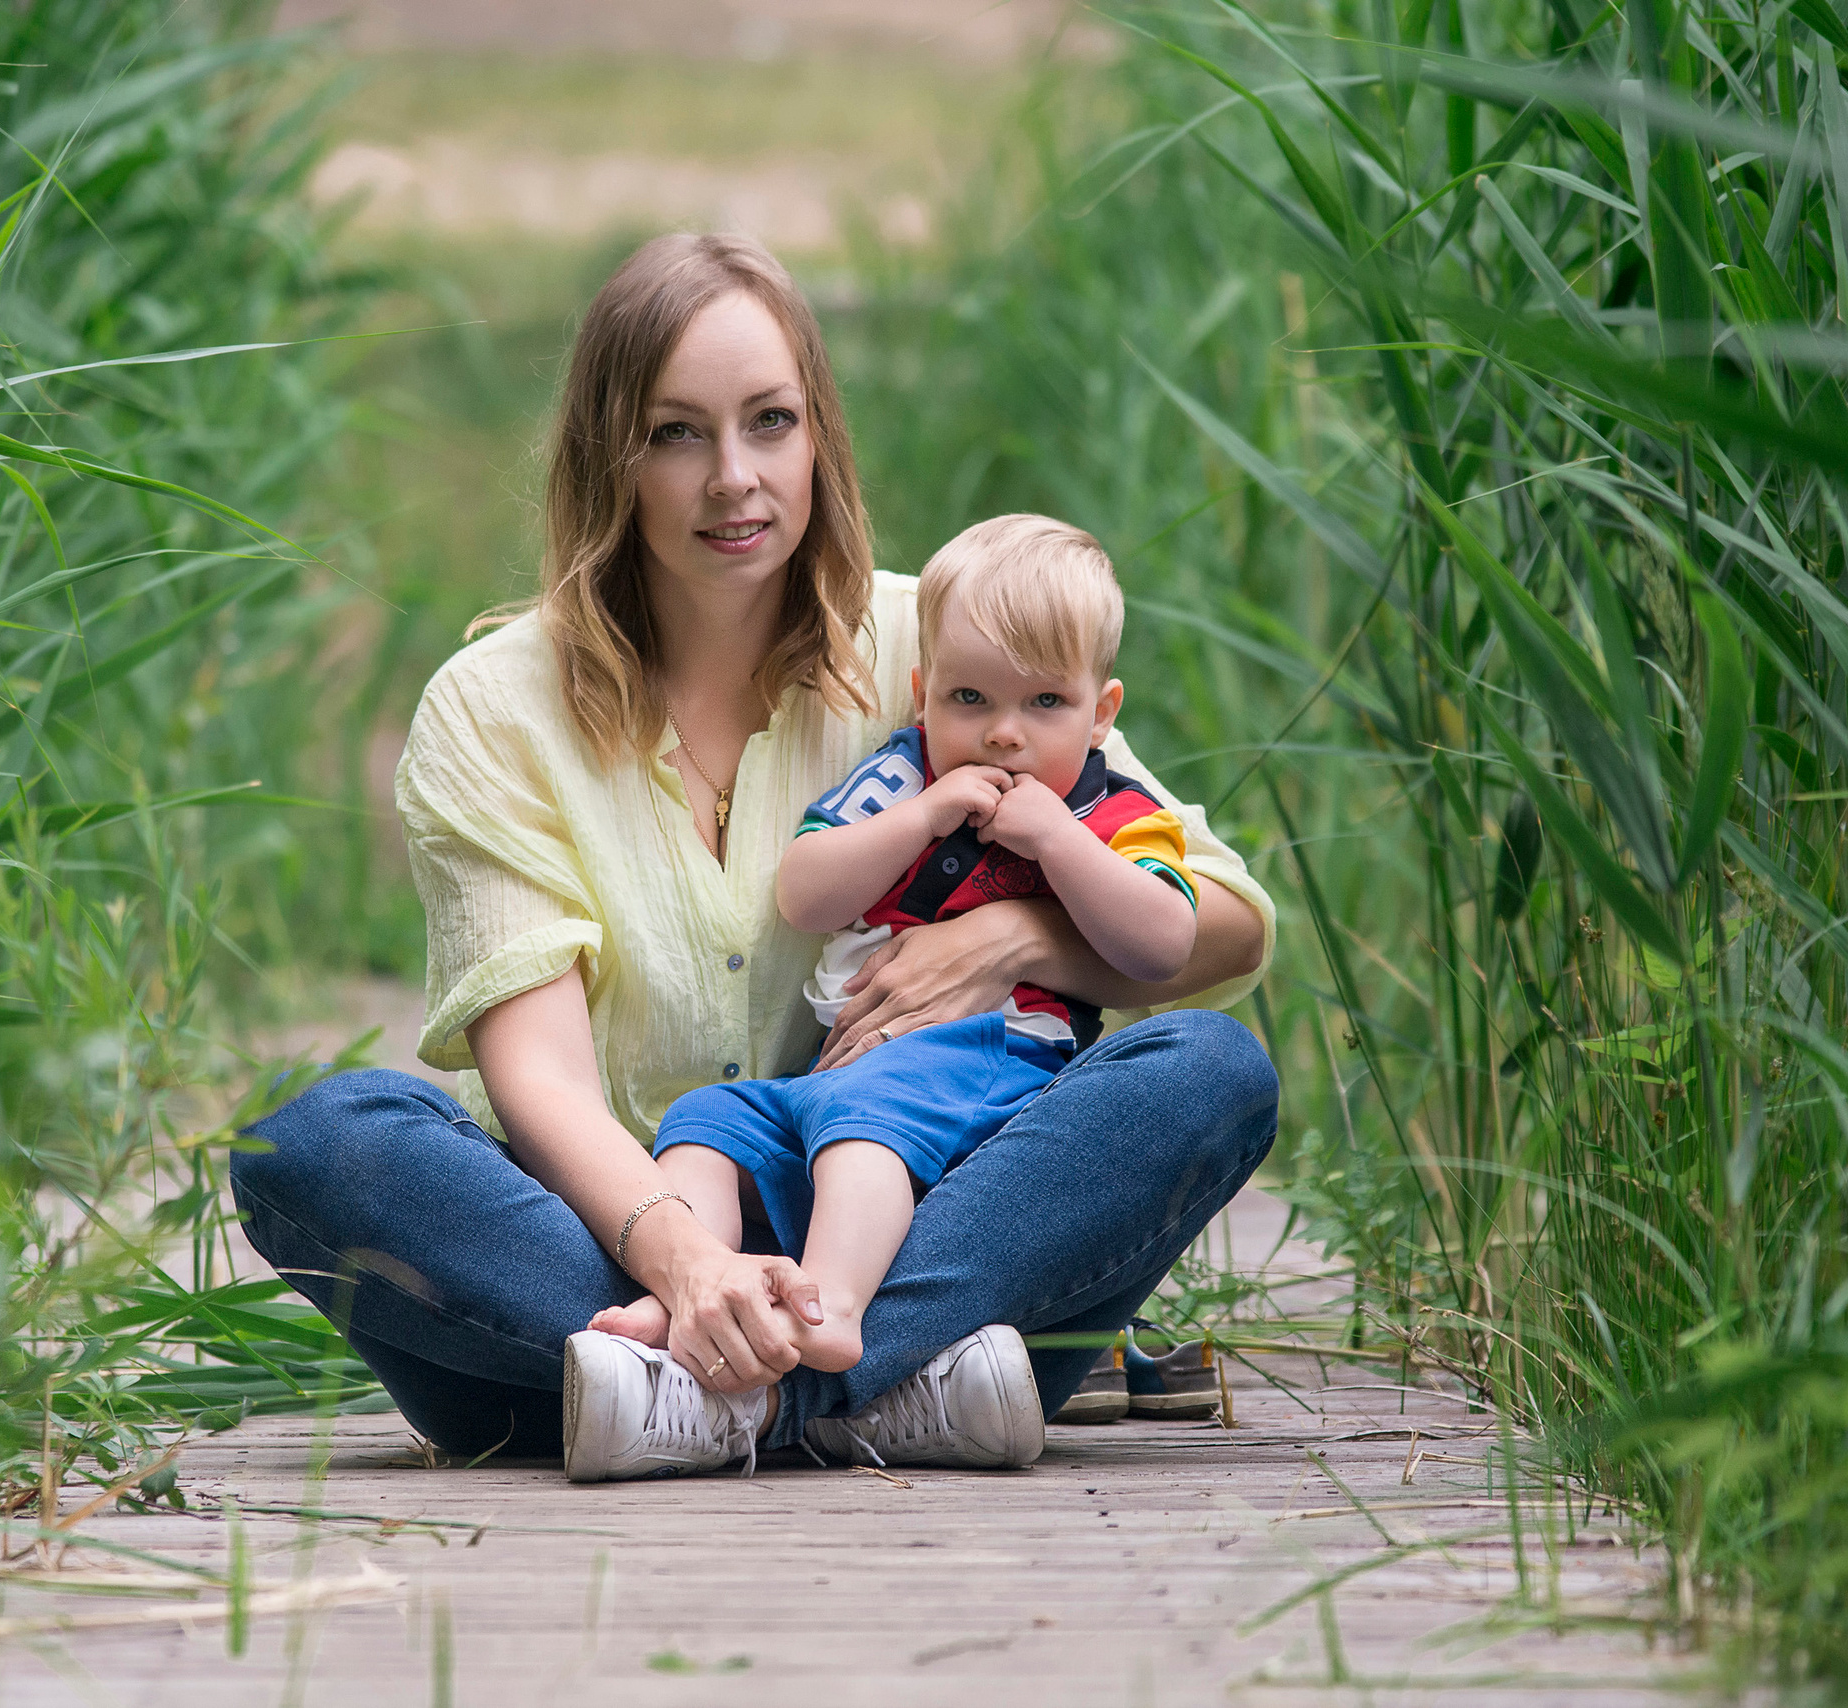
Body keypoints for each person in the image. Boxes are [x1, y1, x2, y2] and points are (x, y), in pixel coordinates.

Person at [229, 231, 1279, 1487]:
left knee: (1209, 1066)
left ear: (817, 436)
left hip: (921, 1231)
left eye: (769, 422)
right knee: (318, 1144)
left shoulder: (941, 644)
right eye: (677, 433)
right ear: (606, 456)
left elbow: (1222, 919)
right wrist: (692, 1268)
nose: (735, 478)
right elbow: (543, 1082)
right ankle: (884, 1384)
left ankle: (680, 1393)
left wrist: (1018, 936)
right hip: (614, 1245)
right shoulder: (490, 710)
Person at [584, 516, 1201, 1378]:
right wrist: (920, 818)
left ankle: (831, 1312)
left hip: (990, 1062)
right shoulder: (904, 775)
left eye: (1045, 704)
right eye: (969, 700)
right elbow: (804, 892)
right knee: (704, 1121)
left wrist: (1060, 843)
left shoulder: (1118, 816)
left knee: (866, 1120)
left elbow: (1167, 944)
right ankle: (697, 1286)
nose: (1004, 734)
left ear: (1102, 714)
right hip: (830, 1075)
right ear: (923, 695)